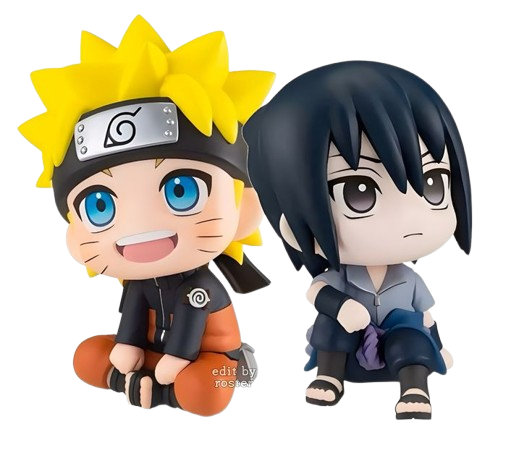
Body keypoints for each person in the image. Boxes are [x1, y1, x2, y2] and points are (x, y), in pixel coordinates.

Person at [17, 14, 276, 416]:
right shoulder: (138, 283)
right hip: (153, 355)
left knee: (208, 392)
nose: (139, 226)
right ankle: (137, 384)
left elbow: (192, 325)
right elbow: (133, 316)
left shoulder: (201, 284)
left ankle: (157, 390)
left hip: (209, 358)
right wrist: (126, 347)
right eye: (99, 206)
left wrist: (176, 362)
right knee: (86, 355)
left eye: (181, 190)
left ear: (245, 208)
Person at [244, 60, 472, 420]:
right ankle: (328, 376)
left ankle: (414, 387)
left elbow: (427, 317)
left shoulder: (410, 280)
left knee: (413, 334)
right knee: (330, 325)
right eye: (358, 191)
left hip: (398, 350)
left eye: (432, 184)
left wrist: (437, 347)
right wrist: (340, 307)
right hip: (348, 349)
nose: (409, 217)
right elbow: (316, 293)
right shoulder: (341, 277)